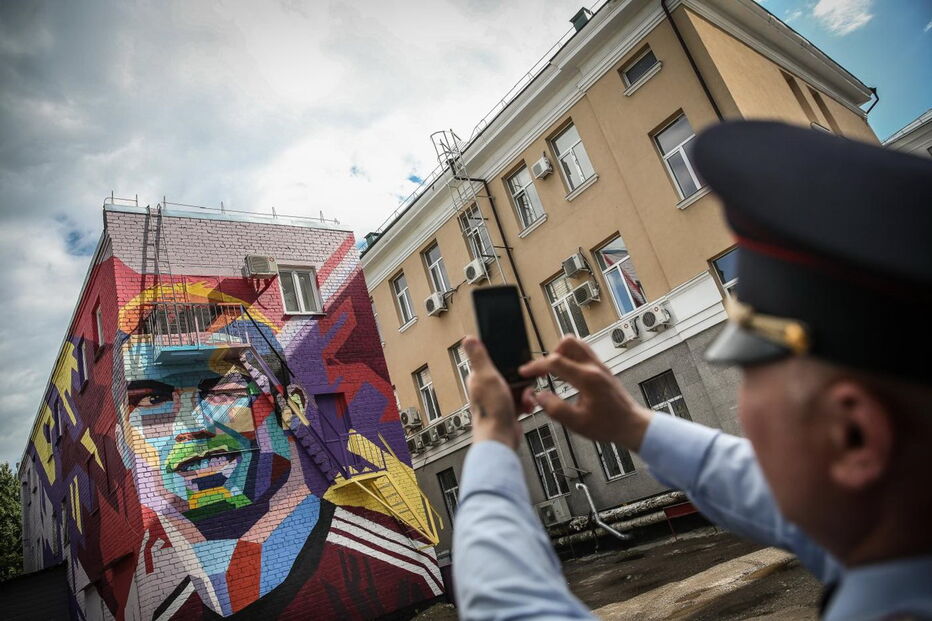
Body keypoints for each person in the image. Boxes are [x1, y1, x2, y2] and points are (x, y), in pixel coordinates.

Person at [453, 121, 932, 620]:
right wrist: (633, 427)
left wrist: (491, 438)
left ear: (853, 432)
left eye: (750, 371)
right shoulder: (899, 526)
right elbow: (764, 491)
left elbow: (508, 609)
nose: (743, 411)